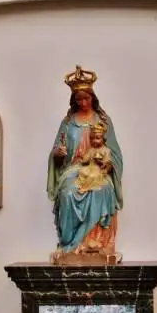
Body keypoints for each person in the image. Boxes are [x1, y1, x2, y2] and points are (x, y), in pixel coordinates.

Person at [47, 65, 123, 257]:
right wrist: (59, 153)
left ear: (93, 98)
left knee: (103, 190)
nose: (83, 103)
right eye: (78, 99)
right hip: (73, 170)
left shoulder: (103, 120)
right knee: (67, 193)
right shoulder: (67, 123)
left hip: (98, 171)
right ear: (73, 101)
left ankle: (96, 242)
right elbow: (56, 149)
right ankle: (69, 244)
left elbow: (115, 153)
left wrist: (108, 164)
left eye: (86, 98)